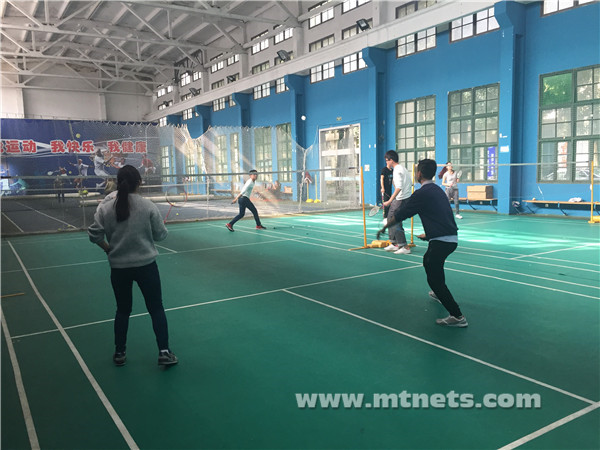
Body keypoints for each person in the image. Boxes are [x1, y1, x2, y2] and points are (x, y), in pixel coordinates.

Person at [88, 165, 178, 366]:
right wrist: (157, 229)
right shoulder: (148, 206)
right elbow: (160, 236)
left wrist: (108, 249)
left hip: (119, 269)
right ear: (139, 182)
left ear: (118, 182)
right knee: (156, 308)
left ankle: (120, 353)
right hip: (146, 267)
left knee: (122, 310)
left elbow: (94, 235)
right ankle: (164, 352)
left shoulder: (105, 207)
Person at [377, 159, 467, 327]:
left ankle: (457, 316)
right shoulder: (438, 190)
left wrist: (384, 227)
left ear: (419, 173)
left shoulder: (422, 193)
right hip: (450, 237)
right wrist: (429, 234)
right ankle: (438, 293)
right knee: (431, 263)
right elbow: (441, 215)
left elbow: (402, 213)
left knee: (432, 274)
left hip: (442, 241)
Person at [381, 150, 412, 255]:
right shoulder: (403, 168)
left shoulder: (397, 170)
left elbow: (399, 187)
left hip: (401, 199)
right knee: (390, 218)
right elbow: (409, 183)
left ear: (391, 160)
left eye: (387, 160)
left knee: (394, 220)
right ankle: (394, 243)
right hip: (404, 198)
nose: (386, 163)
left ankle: (404, 246)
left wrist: (390, 200)